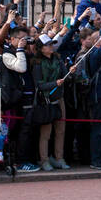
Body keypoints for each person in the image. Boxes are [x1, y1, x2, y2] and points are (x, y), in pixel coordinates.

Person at [30, 35, 69, 171]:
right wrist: (54, 83)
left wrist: (70, 72)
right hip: (45, 101)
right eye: (47, 45)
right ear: (40, 48)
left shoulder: (57, 59)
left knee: (60, 131)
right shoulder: (37, 63)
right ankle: (44, 159)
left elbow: (65, 75)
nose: (51, 47)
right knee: (46, 133)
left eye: (51, 44)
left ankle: (59, 158)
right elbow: (39, 85)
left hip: (59, 99)